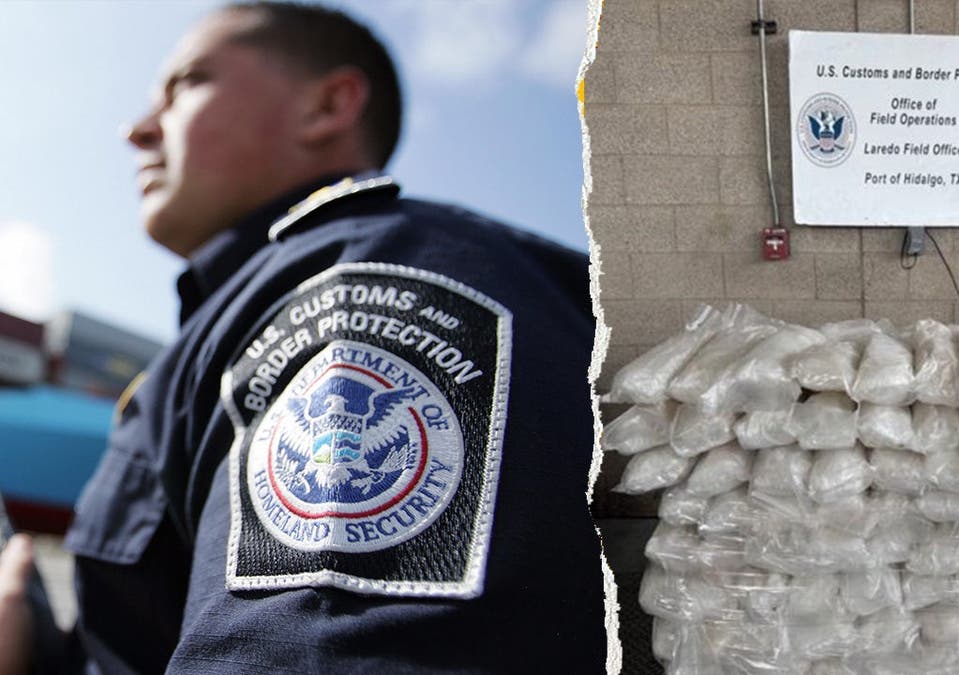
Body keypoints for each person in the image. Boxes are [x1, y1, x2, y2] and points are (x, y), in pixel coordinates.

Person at [0, 2, 606, 672]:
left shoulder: (353, 284)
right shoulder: (234, 322)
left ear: (328, 106)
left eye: (187, 85)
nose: (137, 129)